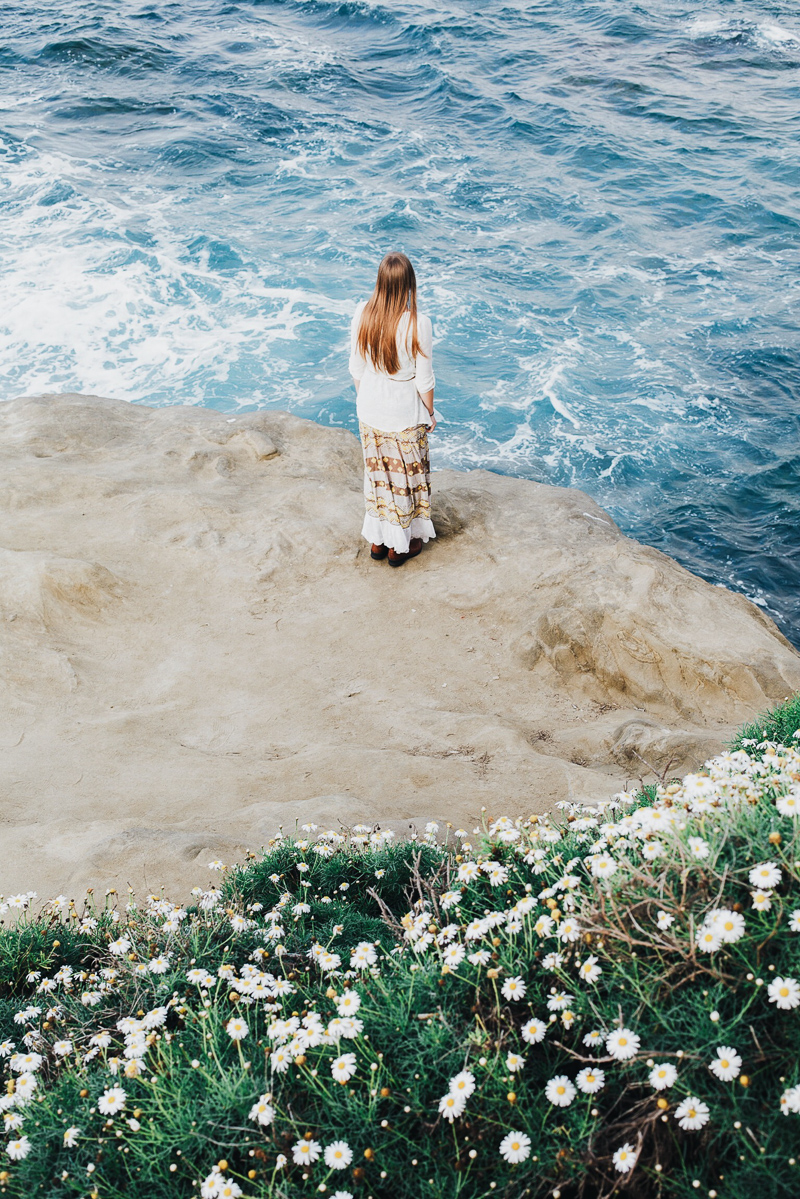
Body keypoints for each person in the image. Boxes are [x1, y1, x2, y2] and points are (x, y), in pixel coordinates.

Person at [349, 251, 437, 567]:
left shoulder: (362, 313)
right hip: (403, 413)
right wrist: (430, 413)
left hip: (369, 408)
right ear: (409, 285)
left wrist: (369, 402)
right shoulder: (419, 323)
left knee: (378, 477)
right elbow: (424, 380)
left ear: (380, 282)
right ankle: (399, 546)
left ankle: (377, 541)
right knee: (406, 480)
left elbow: (356, 368)